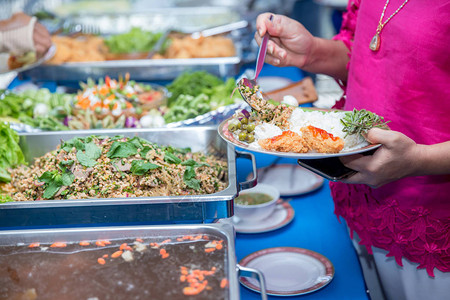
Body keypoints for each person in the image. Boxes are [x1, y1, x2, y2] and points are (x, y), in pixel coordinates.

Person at [254, 1, 450, 299]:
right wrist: (312, 51)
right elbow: (370, 50)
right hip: (359, 202)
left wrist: (419, 160)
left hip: (429, 226)